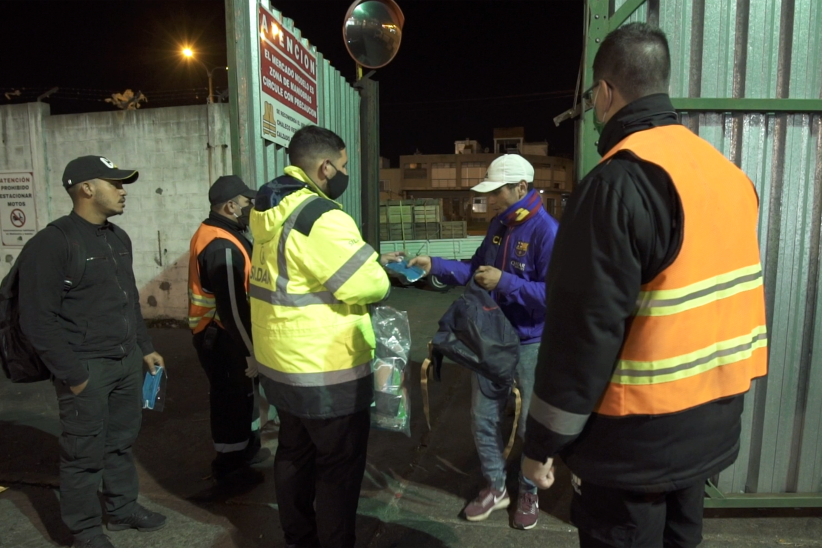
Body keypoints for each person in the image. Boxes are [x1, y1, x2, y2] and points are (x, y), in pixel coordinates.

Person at [522, 23, 767, 548]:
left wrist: (541, 444)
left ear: (606, 93)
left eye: (593, 98)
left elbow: (580, 335)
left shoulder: (615, 185)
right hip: (710, 430)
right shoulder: (728, 175)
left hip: (632, 446)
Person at [249, 125, 396, 548]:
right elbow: (369, 283)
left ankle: (299, 539)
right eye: (344, 165)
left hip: (282, 368)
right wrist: (377, 266)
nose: (345, 173)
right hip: (326, 373)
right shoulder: (320, 216)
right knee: (338, 470)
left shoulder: (268, 212)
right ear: (326, 166)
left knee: (293, 455)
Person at [18, 156, 168, 548]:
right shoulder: (53, 242)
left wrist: (145, 348)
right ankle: (84, 532)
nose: (123, 191)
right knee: (83, 453)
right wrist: (75, 375)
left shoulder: (118, 238)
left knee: (120, 441)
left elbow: (128, 301)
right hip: (86, 367)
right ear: (86, 188)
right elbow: (37, 320)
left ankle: (121, 510)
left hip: (125, 362)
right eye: (115, 183)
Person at [408, 154, 558, 530]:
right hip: (490, 340)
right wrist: (435, 265)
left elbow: (555, 295)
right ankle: (496, 485)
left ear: (521, 188)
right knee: (482, 418)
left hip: (529, 344)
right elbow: (476, 272)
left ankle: (528, 490)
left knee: (529, 426)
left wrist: (505, 282)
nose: (491, 199)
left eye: (498, 192)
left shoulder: (546, 231)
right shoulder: (499, 224)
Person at [187, 175, 271, 483]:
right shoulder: (222, 245)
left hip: (223, 335)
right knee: (230, 401)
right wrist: (250, 351)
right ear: (230, 206)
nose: (251, 207)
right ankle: (229, 467)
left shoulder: (221, 233)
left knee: (241, 397)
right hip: (222, 337)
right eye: (247, 203)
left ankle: (244, 452)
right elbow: (232, 308)